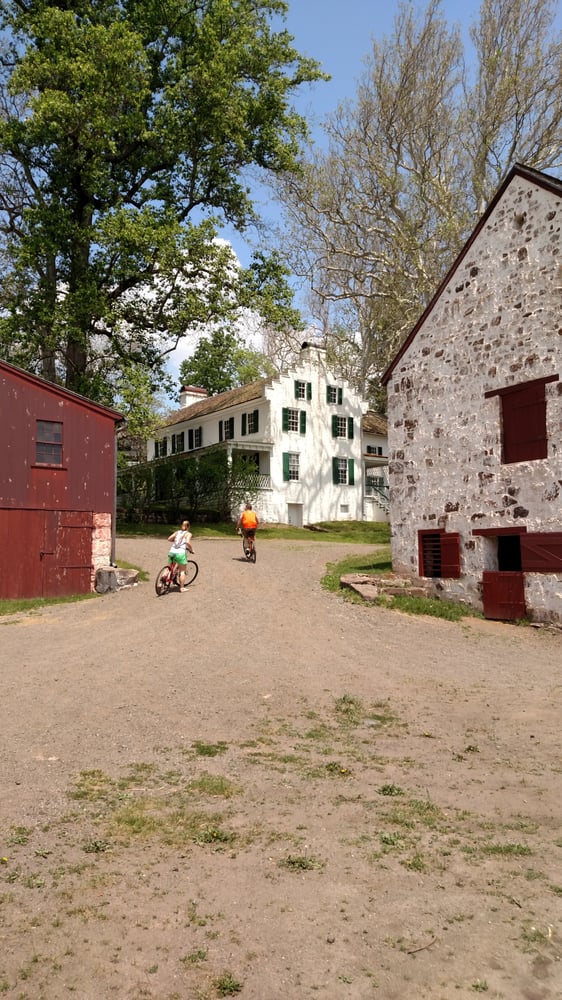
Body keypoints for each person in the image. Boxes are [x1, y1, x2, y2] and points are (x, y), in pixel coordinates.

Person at [167, 519, 193, 592]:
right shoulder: (188, 534)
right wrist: (191, 549)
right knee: (182, 571)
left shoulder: (177, 532)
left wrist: (175, 541)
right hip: (180, 553)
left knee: (169, 568)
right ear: (188, 527)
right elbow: (187, 542)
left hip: (172, 552)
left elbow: (169, 539)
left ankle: (161, 582)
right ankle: (182, 588)